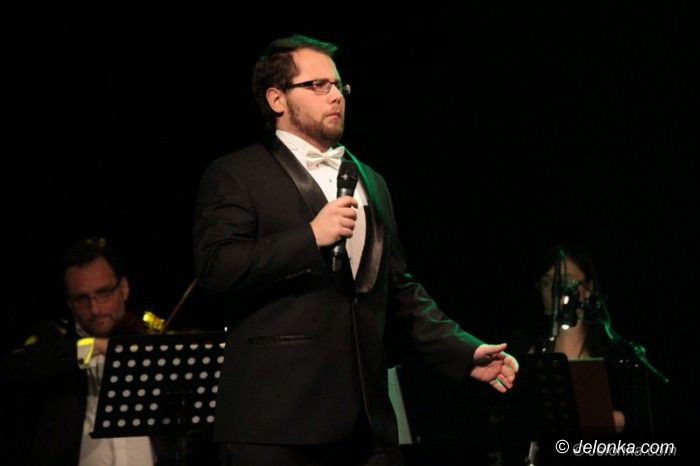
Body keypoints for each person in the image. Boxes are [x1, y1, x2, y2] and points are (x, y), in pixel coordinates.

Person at [193, 34, 519, 466]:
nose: (335, 96)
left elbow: (397, 290)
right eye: (318, 85)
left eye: (338, 85)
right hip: (275, 421)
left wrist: (463, 351)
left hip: (367, 422)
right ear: (276, 99)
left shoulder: (370, 180)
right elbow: (217, 269)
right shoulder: (237, 173)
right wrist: (310, 237)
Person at [0, 237, 173, 466]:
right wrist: (95, 346)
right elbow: (14, 367)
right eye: (82, 299)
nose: (95, 309)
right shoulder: (56, 338)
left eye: (104, 293)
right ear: (69, 303)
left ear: (124, 288)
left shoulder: (145, 334)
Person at [508, 243, 653, 436]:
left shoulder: (615, 352)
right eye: (547, 283)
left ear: (588, 288)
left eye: (567, 283)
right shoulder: (522, 345)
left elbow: (634, 417)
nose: (555, 293)